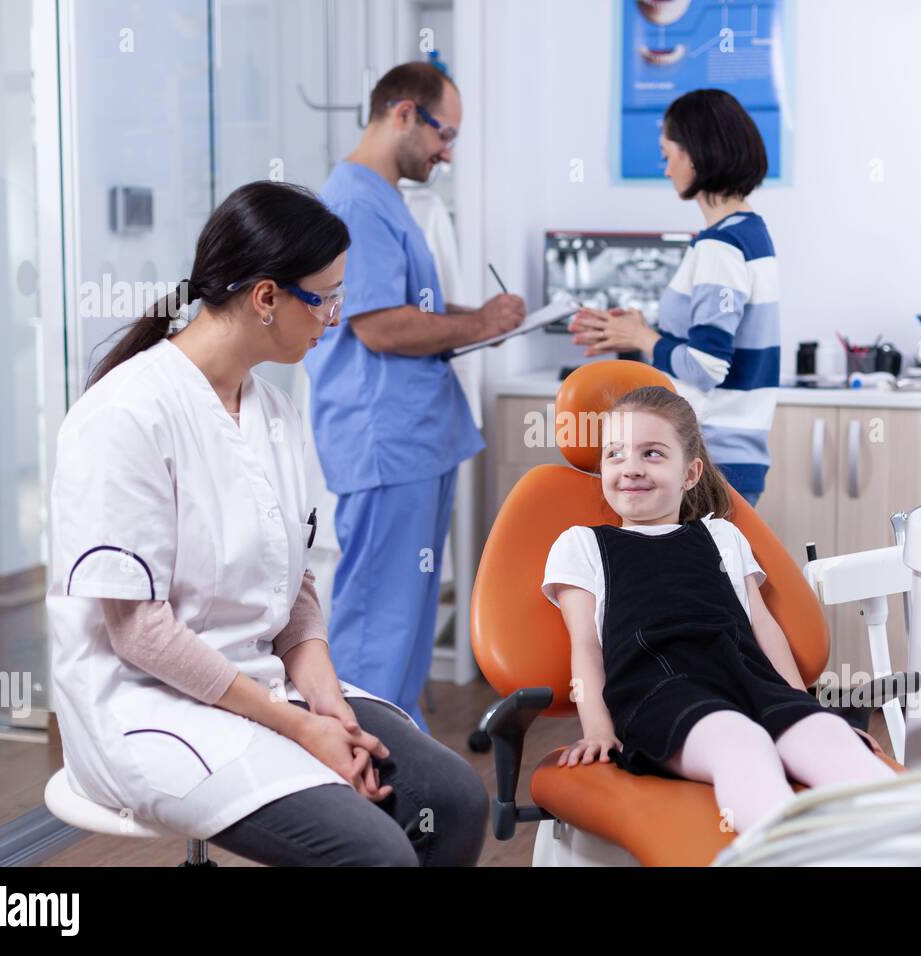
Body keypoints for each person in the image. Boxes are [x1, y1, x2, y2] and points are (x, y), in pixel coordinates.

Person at [47, 181, 488, 866]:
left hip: (263, 684)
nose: (335, 319)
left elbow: (296, 589)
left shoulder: (273, 415)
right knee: (375, 851)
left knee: (454, 799)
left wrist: (328, 704)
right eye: (327, 298)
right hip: (147, 708)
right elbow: (137, 631)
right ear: (265, 298)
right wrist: (298, 727)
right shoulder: (127, 414)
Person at [541, 386, 895, 834]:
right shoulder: (582, 544)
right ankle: (789, 852)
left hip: (750, 682)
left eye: (651, 454)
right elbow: (586, 648)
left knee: (830, 741)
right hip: (660, 694)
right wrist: (597, 729)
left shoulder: (722, 536)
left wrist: (804, 705)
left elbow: (762, 627)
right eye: (614, 454)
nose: (630, 467)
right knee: (740, 742)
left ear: (690, 474)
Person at [304, 62, 525, 730]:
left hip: (416, 440)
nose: (448, 152)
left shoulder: (385, 197)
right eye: (444, 134)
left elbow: (408, 307)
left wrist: (477, 314)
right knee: (378, 623)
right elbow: (379, 325)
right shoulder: (353, 202)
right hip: (386, 441)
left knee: (406, 625)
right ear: (403, 113)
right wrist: (479, 324)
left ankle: (397, 769)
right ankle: (356, 773)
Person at [569, 89, 780, 508]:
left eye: (668, 155)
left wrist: (646, 339)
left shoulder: (720, 247)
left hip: (712, 457)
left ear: (696, 155)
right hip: (731, 456)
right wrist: (639, 334)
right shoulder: (750, 233)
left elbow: (706, 365)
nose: (666, 169)